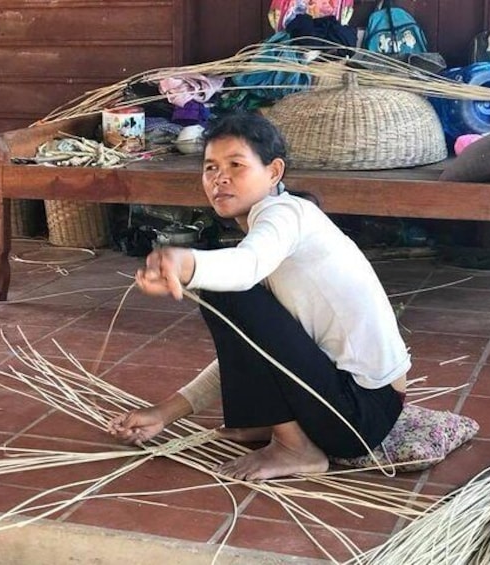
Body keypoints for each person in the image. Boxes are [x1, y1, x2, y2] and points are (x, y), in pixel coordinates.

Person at [107, 112, 409, 480]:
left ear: (274, 172)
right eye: (210, 168)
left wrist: (187, 263)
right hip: (354, 406)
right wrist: (164, 413)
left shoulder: (285, 215)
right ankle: (273, 425)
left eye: (236, 165)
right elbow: (254, 347)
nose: (220, 178)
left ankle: (295, 447)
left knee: (227, 291)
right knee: (230, 294)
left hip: (360, 415)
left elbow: (243, 268)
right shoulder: (273, 228)